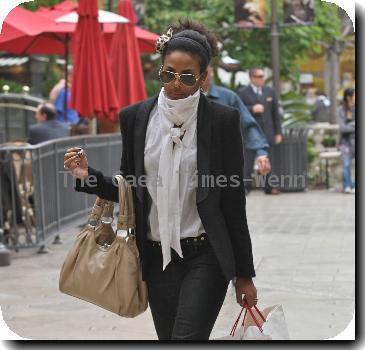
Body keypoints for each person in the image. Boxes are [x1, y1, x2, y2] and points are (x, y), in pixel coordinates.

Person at [64, 20, 257, 340]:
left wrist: (244, 275)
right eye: (168, 73)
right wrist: (88, 176)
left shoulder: (223, 121)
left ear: (204, 77)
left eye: (187, 76)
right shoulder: (135, 118)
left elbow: (233, 202)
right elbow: (129, 188)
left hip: (206, 254)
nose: (175, 84)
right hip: (155, 258)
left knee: (186, 338)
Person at [202, 65, 271, 176]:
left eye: (203, 67)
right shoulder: (179, 98)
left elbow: (247, 124)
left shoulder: (229, 97)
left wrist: (261, 152)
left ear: (211, 71)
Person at [237, 67, 283, 195]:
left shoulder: (270, 91)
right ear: (252, 78)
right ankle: (245, 187)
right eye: (259, 76)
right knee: (247, 161)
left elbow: (275, 114)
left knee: (267, 159)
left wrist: (278, 132)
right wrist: (252, 109)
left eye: (263, 76)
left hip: (267, 132)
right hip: (250, 133)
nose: (262, 79)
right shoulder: (242, 92)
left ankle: (269, 187)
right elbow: (237, 109)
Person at [338, 88, 355, 194]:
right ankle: (347, 186)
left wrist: (350, 125)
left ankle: (353, 185)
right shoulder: (341, 110)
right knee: (346, 164)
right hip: (346, 142)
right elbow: (343, 128)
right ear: (349, 97)